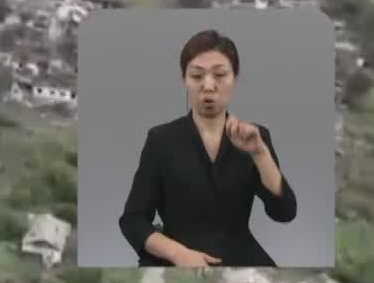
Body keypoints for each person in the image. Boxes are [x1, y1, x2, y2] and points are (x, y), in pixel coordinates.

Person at [118, 29, 297, 267]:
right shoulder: (161, 139)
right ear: (184, 80)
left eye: (220, 75)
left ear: (235, 78)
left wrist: (259, 153)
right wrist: (177, 253)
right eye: (197, 76)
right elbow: (133, 220)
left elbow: (284, 212)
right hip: (175, 260)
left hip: (240, 256)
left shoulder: (255, 137)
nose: (208, 86)